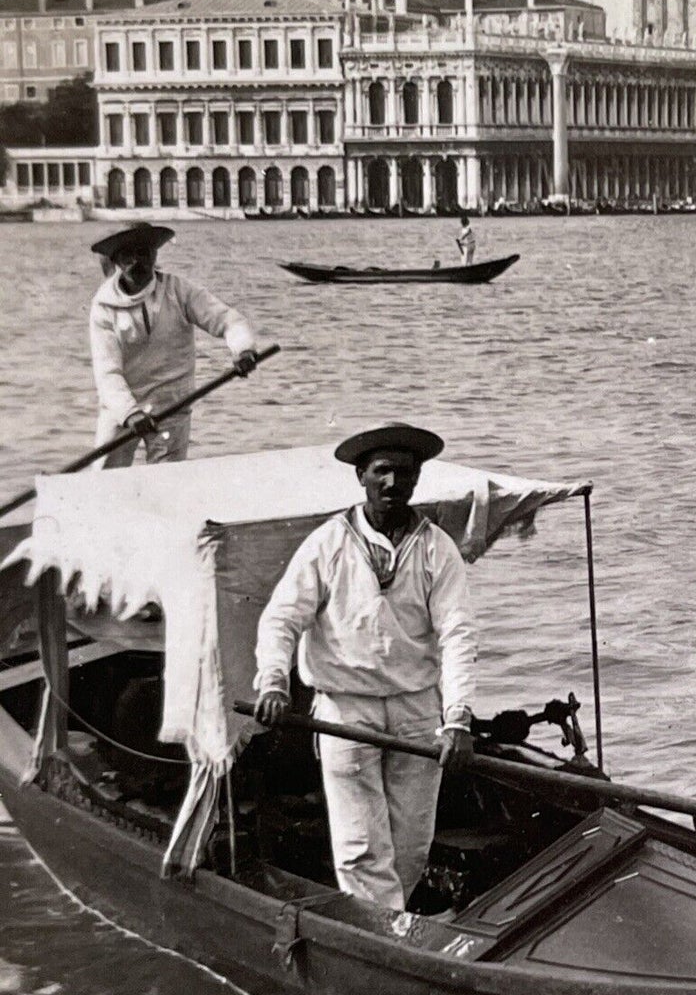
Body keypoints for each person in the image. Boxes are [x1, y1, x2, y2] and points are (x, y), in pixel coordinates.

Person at [253, 424, 477, 912]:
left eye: (405, 472)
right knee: (361, 848)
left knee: (412, 844)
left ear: (418, 479)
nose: (394, 483)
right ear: (361, 477)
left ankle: (391, 923)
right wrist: (273, 681)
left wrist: (457, 717)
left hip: (418, 710)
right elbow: (282, 619)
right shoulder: (328, 543)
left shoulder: (438, 549)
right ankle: (390, 941)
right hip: (346, 711)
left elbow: (458, 634)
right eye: (383, 472)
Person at [88, 223, 261, 466]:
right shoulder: (104, 307)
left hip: (172, 404)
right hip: (121, 407)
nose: (137, 263)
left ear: (154, 255)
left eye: (143, 253)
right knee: (105, 477)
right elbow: (107, 373)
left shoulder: (179, 291)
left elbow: (227, 320)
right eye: (128, 256)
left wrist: (243, 350)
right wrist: (130, 413)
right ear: (116, 260)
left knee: (167, 482)